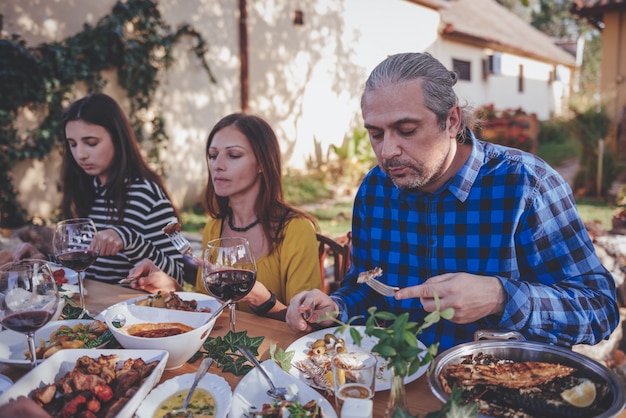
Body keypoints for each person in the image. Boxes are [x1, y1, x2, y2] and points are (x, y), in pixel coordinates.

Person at [286, 52, 620, 351]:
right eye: (376, 134)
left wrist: (500, 297)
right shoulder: (376, 189)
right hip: (397, 384)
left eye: (406, 129)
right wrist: (336, 307)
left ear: (452, 121)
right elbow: (368, 288)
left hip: (497, 391)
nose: (387, 151)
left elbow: (599, 311)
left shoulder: (526, 185)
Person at [128, 113, 321, 320]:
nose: (217, 165)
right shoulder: (214, 227)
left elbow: (306, 322)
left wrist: (261, 299)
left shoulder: (296, 230)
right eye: (212, 155)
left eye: (234, 155)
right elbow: (209, 308)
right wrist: (171, 288)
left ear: (262, 164)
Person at [13, 93, 184, 284]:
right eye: (73, 144)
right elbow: (85, 269)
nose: (80, 154)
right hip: (92, 307)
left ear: (118, 140)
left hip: (130, 309)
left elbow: (178, 276)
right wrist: (42, 261)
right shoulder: (86, 190)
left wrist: (129, 239)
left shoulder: (145, 194)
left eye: (91, 143)